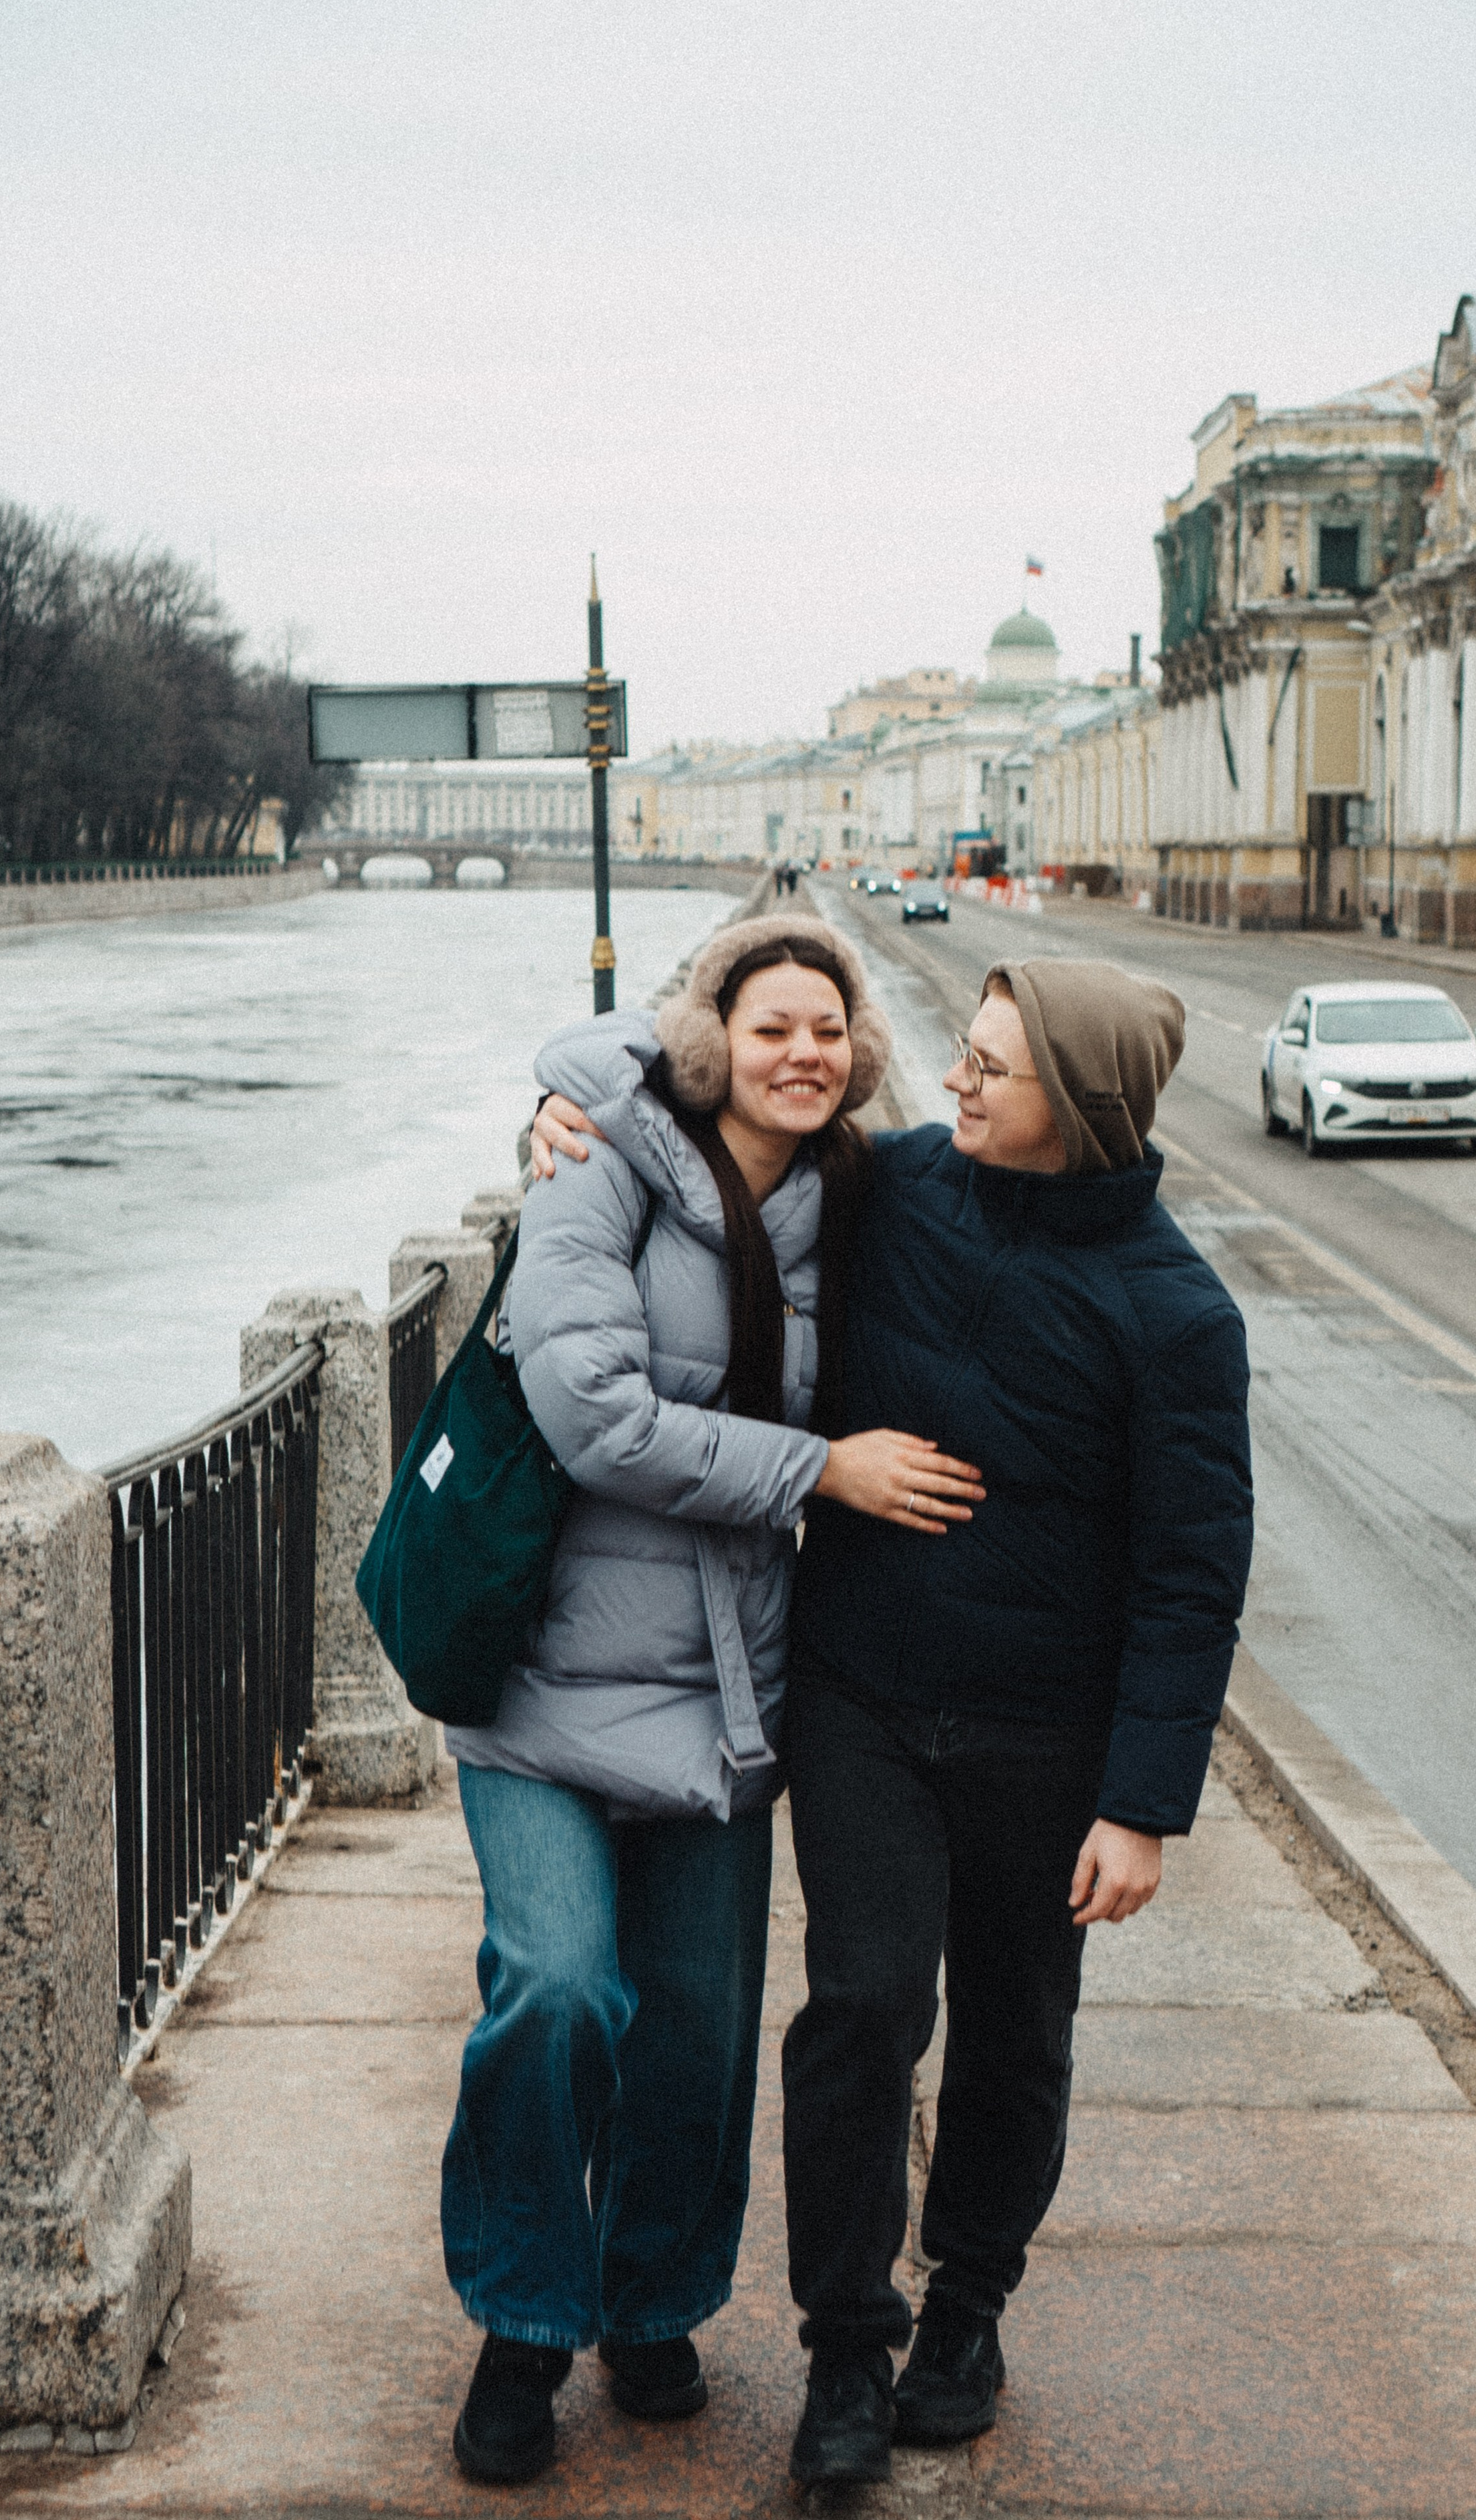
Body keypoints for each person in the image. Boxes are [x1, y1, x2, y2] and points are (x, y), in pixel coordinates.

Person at [533, 952, 1252, 2489]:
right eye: (963, 1056)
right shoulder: (896, 1186)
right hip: (860, 1697)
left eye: (990, 1066)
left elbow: (1191, 1579)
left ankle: (965, 2313)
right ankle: (845, 2354)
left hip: (1046, 1740)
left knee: (1015, 2037)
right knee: (860, 2013)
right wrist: (557, 1118)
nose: (951, 1080)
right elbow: (703, 1107)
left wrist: (1141, 1805)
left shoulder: (1177, 1316)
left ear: (1082, 1102)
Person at [445, 915, 982, 2488]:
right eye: (771, 1026)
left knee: (693, 2042)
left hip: (725, 1693)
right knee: (555, 1994)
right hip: (543, 1680)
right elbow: (590, 1413)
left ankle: (651, 2304)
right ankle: (522, 2323)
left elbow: (1012, 1200)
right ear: (710, 1041)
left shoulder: (859, 1200)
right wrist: (822, 1471)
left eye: (829, 1028)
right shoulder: (598, 1160)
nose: (803, 1052)